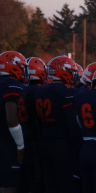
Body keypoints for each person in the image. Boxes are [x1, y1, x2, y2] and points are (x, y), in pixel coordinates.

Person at [35, 55, 83, 193]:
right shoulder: (67, 91)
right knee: (67, 186)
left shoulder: (40, 90)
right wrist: (79, 145)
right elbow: (71, 123)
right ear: (63, 71)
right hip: (63, 145)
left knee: (50, 186)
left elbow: (37, 121)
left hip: (44, 142)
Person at [19, 57, 48, 192]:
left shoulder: (22, 89)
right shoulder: (39, 90)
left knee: (24, 181)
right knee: (37, 182)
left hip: (21, 136)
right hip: (34, 138)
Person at [0, 51, 27, 193]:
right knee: (9, 184)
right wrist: (20, 145)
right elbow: (11, 119)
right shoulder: (12, 85)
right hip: (6, 142)